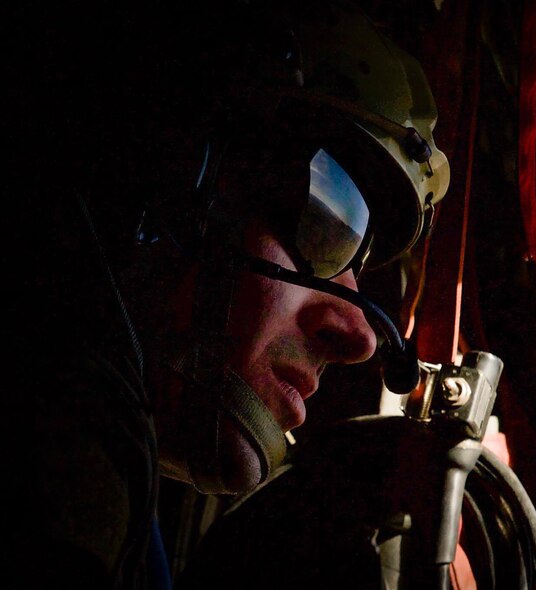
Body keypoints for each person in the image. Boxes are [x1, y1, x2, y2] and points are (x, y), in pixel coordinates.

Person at [0, 1, 448, 587]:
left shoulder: (121, 495)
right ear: (171, 167)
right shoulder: (53, 479)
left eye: (360, 261)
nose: (361, 335)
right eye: (329, 222)